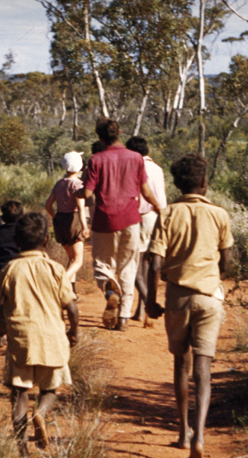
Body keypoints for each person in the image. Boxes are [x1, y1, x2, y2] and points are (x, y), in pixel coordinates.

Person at [142, 154, 233, 458]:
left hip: (178, 298)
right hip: (209, 297)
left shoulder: (168, 214)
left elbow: (154, 262)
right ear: (205, 183)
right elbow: (228, 261)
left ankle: (183, 432)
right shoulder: (220, 214)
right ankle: (201, 436)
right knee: (204, 370)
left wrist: (151, 301)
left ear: (177, 184)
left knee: (181, 365)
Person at [0, 213, 80, 451]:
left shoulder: (9, 270)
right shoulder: (56, 270)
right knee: (50, 389)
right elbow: (72, 308)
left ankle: (22, 450)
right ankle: (41, 414)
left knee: (19, 393)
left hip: (21, 340)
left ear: (16, 241)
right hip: (52, 338)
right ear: (46, 240)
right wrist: (74, 332)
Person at [79, 118, 164, 331]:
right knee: (128, 267)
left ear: (99, 136)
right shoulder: (136, 158)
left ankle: (110, 293)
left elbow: (88, 193)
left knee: (102, 265)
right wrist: (159, 208)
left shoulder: (96, 160)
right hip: (131, 219)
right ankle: (124, 318)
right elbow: (145, 191)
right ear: (119, 133)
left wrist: (75, 193)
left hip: (104, 220)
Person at [125, 135, 166, 327]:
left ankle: (148, 305)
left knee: (134, 266)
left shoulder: (133, 167)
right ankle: (140, 311)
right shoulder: (158, 169)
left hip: (137, 217)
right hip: (156, 217)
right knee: (149, 267)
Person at [45, 151, 91, 289]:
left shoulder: (59, 184)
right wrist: (84, 227)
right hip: (74, 220)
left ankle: (71, 292)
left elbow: (48, 206)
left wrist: (55, 218)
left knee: (71, 258)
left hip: (60, 221)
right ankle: (60, 282)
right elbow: (81, 208)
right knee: (78, 261)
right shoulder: (78, 185)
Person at [0, 199, 25, 348]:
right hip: (21, 275)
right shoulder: (23, 234)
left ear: (3, 218)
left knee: (3, 305)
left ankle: (2, 334)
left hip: (0, 274)